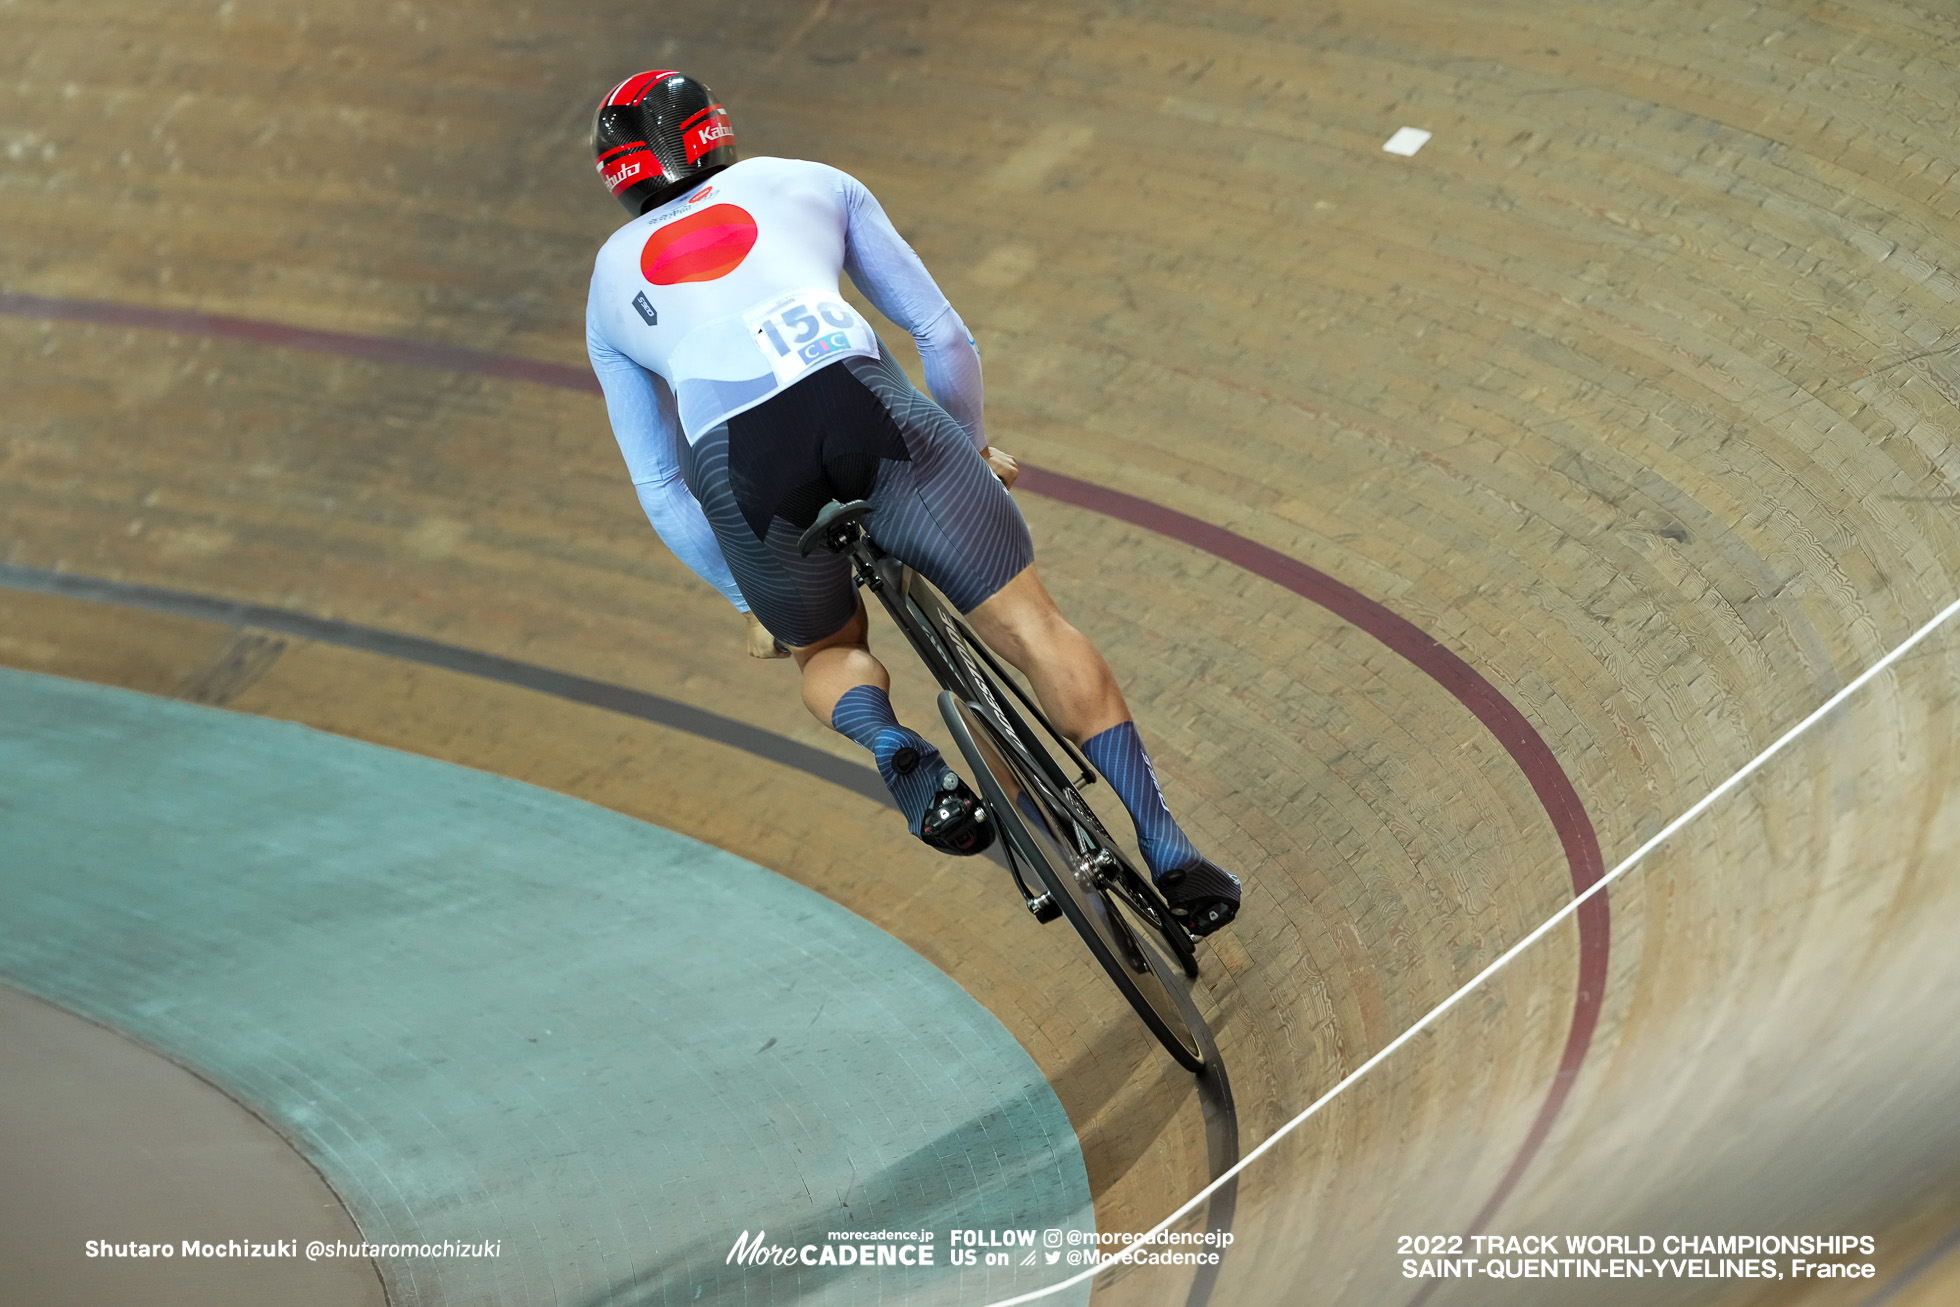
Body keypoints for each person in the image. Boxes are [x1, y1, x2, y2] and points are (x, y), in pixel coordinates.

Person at [583, 70, 1242, 936]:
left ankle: (898, 750)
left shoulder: (605, 284)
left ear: (618, 177)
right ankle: (1169, 850)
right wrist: (964, 450)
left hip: (746, 472)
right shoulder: (816, 180)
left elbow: (664, 487)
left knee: (825, 648)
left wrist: (749, 598)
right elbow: (942, 335)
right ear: (718, 130)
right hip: (870, 414)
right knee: (1034, 626)